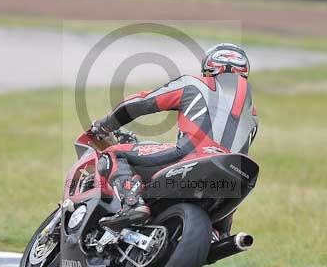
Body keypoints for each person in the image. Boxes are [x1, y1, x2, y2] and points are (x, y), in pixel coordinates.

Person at [90, 43, 258, 230]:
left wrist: (104, 125)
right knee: (220, 227)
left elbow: (141, 103)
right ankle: (219, 236)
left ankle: (132, 204)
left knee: (114, 154)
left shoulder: (194, 83)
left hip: (192, 155)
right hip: (236, 176)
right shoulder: (252, 115)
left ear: (208, 66)